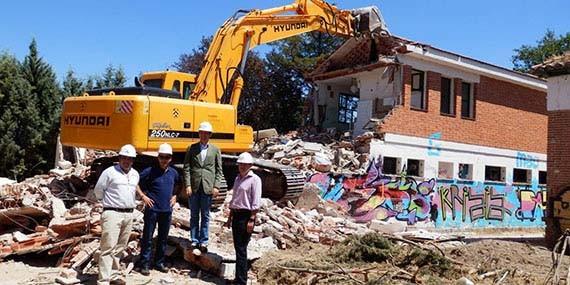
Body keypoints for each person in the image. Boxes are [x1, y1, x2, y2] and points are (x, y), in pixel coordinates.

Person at [94, 144, 140, 285]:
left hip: (128, 214)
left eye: (130, 159)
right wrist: (106, 203)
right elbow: (98, 191)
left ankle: (113, 275)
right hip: (112, 213)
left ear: (133, 160)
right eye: (124, 158)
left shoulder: (135, 174)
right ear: (119, 158)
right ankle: (103, 281)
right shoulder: (109, 172)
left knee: (120, 247)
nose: (127, 161)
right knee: (108, 247)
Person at [136, 143, 181, 275]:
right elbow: (135, 181)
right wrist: (143, 196)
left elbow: (179, 184)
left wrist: (175, 196)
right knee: (148, 237)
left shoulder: (174, 172)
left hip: (166, 210)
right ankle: (144, 263)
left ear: (170, 158)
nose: (164, 160)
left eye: (166, 157)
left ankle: (159, 262)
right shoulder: (150, 171)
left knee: (163, 238)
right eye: (161, 157)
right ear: (158, 157)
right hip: (152, 210)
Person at [183, 121, 223, 255]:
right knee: (194, 214)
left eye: (207, 133)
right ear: (199, 134)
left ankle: (204, 240)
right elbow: (187, 168)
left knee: (205, 215)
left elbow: (219, 170)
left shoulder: (215, 150)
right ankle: (194, 239)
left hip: (207, 187)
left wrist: (216, 186)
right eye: (202, 133)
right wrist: (188, 184)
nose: (204, 135)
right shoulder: (192, 148)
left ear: (210, 135)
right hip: (194, 187)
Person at [224, 152, 261, 285]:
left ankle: (241, 281)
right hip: (236, 215)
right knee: (238, 248)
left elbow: (256, 201)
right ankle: (239, 278)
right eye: (240, 164)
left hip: (246, 216)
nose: (242, 167)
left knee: (241, 249)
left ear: (250, 165)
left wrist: (252, 219)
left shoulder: (255, 180)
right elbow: (235, 199)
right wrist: (230, 217)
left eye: (245, 165)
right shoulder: (237, 179)